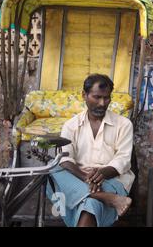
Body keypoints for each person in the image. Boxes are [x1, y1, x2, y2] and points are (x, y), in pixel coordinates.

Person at [47, 74, 134, 227]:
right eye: (97, 97)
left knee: (89, 205)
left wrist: (101, 174)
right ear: (84, 95)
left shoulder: (124, 124)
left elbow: (123, 160)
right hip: (79, 179)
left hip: (111, 180)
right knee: (52, 167)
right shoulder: (71, 125)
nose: (102, 103)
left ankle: (100, 196)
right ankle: (107, 198)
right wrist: (87, 177)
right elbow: (66, 159)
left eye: (106, 98)